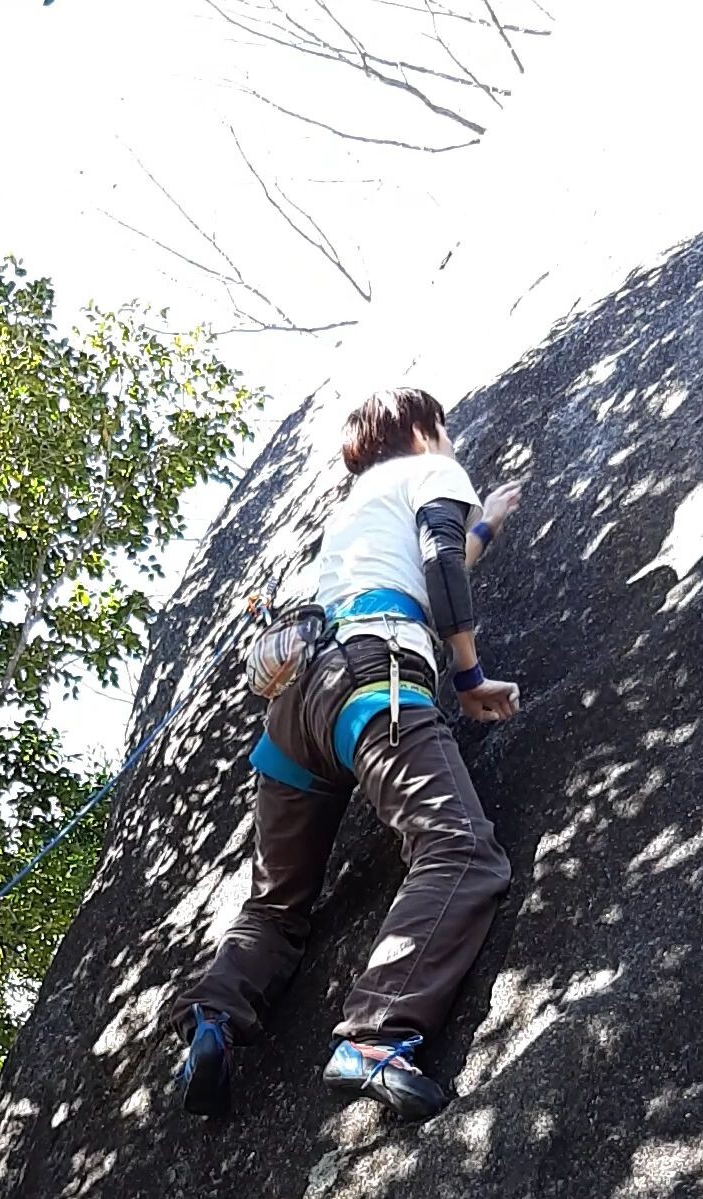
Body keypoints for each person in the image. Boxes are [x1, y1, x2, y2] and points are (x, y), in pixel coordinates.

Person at [172, 386, 521, 1124]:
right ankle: (376, 1035)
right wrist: (467, 676)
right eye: (446, 431)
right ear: (424, 430)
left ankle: (214, 1021)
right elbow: (438, 564)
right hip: (373, 676)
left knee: (275, 905)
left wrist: (485, 528)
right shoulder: (432, 469)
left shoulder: (357, 505)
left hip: (296, 705)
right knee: (459, 850)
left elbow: (435, 560)